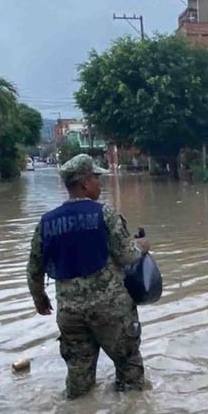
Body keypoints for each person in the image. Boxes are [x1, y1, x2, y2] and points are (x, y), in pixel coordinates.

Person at [26, 154, 150, 398]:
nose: (99, 183)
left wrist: (39, 299)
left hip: (70, 314)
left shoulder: (46, 222)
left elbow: (34, 268)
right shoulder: (105, 214)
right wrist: (143, 246)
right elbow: (127, 256)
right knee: (129, 372)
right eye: (95, 178)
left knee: (78, 379)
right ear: (84, 183)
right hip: (110, 310)